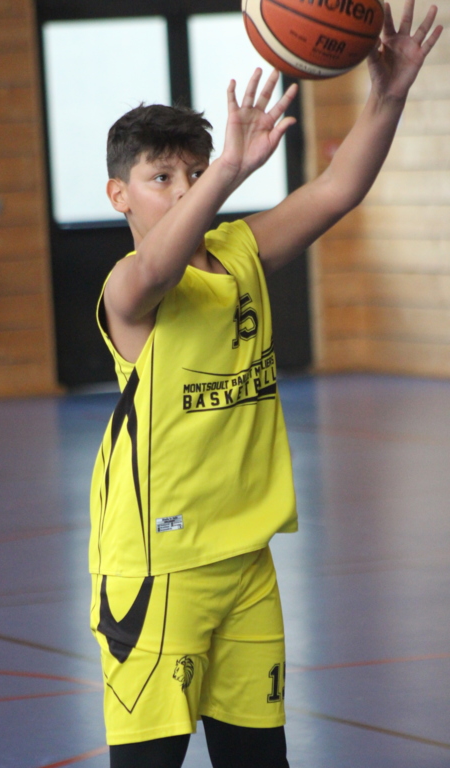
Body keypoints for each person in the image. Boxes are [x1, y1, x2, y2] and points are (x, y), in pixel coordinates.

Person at [89, 2, 442, 766]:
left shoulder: (240, 251)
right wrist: (225, 171)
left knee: (259, 759)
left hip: (247, 558)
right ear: (120, 196)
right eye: (160, 177)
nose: (181, 188)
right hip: (158, 570)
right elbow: (157, 267)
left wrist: (388, 96)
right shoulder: (131, 288)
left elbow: (336, 190)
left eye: (192, 171)